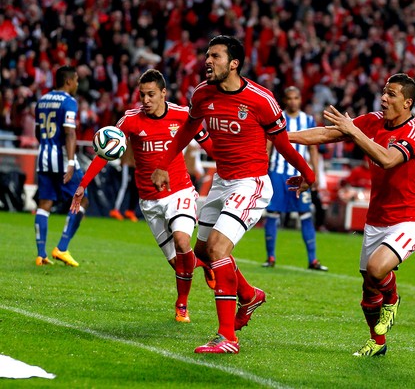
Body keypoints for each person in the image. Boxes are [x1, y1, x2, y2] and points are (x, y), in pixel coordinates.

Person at [151, 35, 316, 354]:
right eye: (207, 55)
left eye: (215, 56)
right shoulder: (201, 94)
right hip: (222, 182)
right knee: (204, 254)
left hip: (251, 183)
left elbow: (282, 144)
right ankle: (250, 294)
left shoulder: (261, 99)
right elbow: (188, 129)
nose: (207, 61)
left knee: (216, 248)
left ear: (234, 63)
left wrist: (307, 175)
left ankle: (227, 337)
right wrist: (162, 164)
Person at [288, 73, 415, 357]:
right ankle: (377, 343)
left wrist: (354, 131)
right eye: (384, 92)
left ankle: (393, 299)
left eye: (391, 94)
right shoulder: (373, 120)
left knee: (378, 270)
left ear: (407, 102)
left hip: (410, 219)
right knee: (368, 288)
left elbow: (388, 159)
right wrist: (280, 135)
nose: (384, 98)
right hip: (377, 219)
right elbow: (327, 134)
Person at [70, 69, 215, 323]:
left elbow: (210, 146)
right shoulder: (130, 120)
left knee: (182, 242)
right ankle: (204, 265)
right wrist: (83, 185)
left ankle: (182, 304)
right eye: (142, 95)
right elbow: (104, 153)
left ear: (163, 93)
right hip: (149, 201)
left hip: (180, 190)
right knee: (178, 264)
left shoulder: (182, 116)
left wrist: (233, 163)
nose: (145, 100)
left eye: (150, 95)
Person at [263, 86, 327, 271]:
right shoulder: (277, 118)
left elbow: (313, 148)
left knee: (306, 215)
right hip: (277, 173)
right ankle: (271, 257)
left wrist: (314, 175)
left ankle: (313, 260)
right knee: (273, 214)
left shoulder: (307, 120)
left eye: (296, 98)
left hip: (300, 174)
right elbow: (268, 146)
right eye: (289, 98)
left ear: (300, 100)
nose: (293, 101)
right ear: (285, 100)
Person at [34, 65, 87, 268]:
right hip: (63, 160)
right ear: (68, 81)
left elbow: (39, 133)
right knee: (83, 199)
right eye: (76, 80)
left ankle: (41, 255)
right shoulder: (69, 102)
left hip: (44, 158)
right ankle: (62, 248)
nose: (77, 84)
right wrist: (72, 162)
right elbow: (69, 133)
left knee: (44, 205)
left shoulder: (42, 100)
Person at [108, 146, 140, 222]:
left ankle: (130, 211)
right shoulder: (128, 136)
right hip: (127, 163)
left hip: (136, 164)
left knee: (136, 187)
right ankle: (116, 210)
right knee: (124, 186)